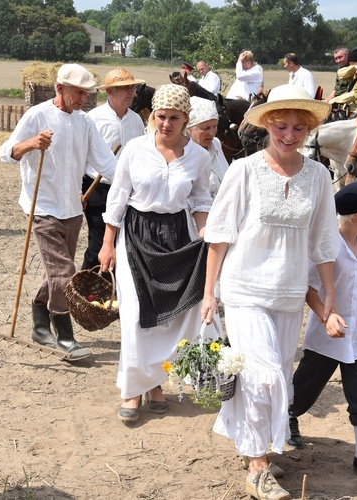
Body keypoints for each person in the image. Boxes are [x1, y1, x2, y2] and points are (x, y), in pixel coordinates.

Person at [201, 85, 339, 500]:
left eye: (299, 127)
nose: (290, 135)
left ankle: (255, 448)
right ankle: (258, 468)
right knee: (262, 378)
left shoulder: (318, 176)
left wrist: (327, 296)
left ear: (310, 129)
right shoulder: (243, 171)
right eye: (281, 126)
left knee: (276, 374)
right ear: (266, 125)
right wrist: (210, 293)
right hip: (244, 289)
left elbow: (324, 241)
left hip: (290, 294)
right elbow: (220, 236)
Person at [98, 84, 212, 423]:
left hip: (177, 236)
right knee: (135, 317)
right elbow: (116, 199)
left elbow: (201, 200)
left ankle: (156, 384)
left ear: (186, 119)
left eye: (174, 118)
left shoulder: (199, 157)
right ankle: (132, 391)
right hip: (136, 235)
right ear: (153, 116)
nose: (165, 124)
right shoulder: (134, 149)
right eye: (160, 116)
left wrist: (206, 234)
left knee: (170, 317)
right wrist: (107, 244)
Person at [0, 64, 116, 360]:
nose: (84, 99)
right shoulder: (37, 115)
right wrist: (31, 143)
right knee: (64, 273)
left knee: (55, 274)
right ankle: (65, 337)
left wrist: (133, 183)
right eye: (79, 93)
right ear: (60, 89)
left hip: (72, 209)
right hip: (42, 207)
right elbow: (6, 153)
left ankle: (39, 324)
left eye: (87, 94)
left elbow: (105, 162)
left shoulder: (84, 122)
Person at [287, 181, 357, 484]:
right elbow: (308, 289)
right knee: (302, 394)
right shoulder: (327, 246)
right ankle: (288, 418)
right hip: (325, 338)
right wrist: (326, 315)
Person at [82, 68, 146, 271]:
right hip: (98, 188)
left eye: (132, 88)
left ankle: (113, 292)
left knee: (123, 244)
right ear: (110, 92)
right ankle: (83, 290)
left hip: (129, 191)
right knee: (98, 244)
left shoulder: (136, 120)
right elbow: (80, 156)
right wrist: (78, 189)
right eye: (124, 88)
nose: (130, 92)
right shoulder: (93, 118)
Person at [187, 96, 228, 198]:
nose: (212, 133)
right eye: (206, 128)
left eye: (215, 126)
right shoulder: (184, 153)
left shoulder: (216, 144)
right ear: (189, 129)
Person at [328, 47, 357, 118]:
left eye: (340, 57)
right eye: (336, 58)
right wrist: (354, 67)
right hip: (345, 106)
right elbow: (340, 74)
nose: (338, 61)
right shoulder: (353, 70)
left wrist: (333, 101)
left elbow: (355, 94)